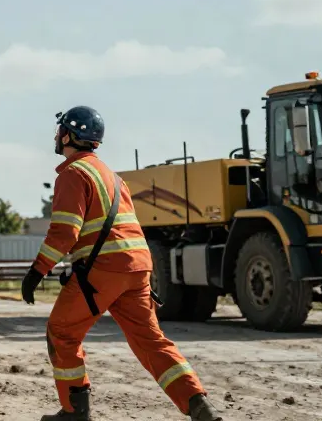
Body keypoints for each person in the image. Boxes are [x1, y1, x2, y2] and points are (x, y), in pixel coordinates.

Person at [22, 106, 223, 421]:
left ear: (68, 135)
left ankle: (75, 411)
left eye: (60, 130)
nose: (56, 136)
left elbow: (64, 232)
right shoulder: (112, 177)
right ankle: (199, 404)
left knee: (61, 332)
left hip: (103, 271)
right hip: (137, 268)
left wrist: (37, 271)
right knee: (151, 340)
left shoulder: (73, 174)